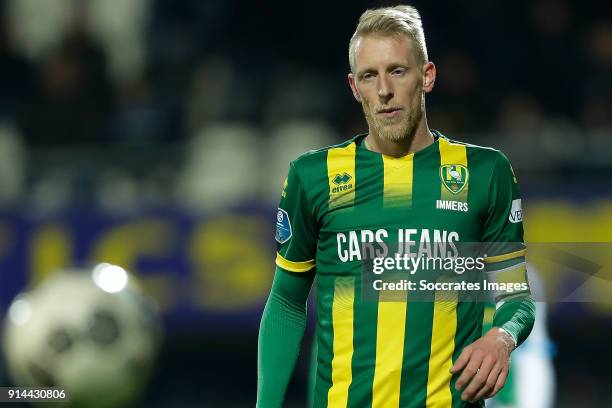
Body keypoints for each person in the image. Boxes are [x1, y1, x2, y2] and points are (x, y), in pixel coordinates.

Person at [257, 5, 535, 407]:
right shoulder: (313, 176)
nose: (383, 89)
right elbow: (286, 300)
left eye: (398, 71)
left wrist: (501, 338)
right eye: (370, 76)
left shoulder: (485, 173)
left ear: (427, 76)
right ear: (355, 87)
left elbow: (516, 297)